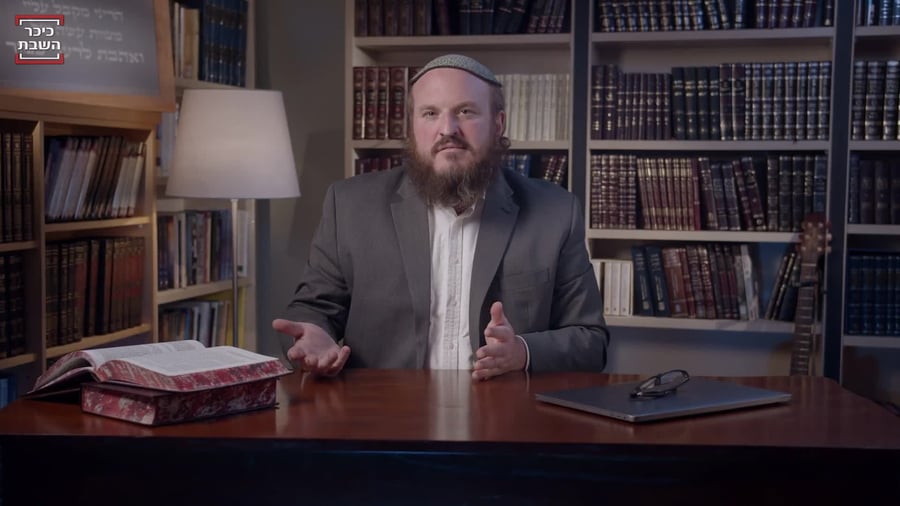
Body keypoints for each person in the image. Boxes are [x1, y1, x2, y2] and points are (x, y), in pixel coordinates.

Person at [273, 53, 609, 381]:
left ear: (498, 124)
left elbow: (591, 342)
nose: (448, 129)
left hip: (503, 413)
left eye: (465, 111)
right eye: (430, 113)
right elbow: (313, 310)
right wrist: (313, 334)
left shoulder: (555, 212)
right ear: (412, 127)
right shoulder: (349, 205)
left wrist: (523, 351)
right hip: (384, 412)